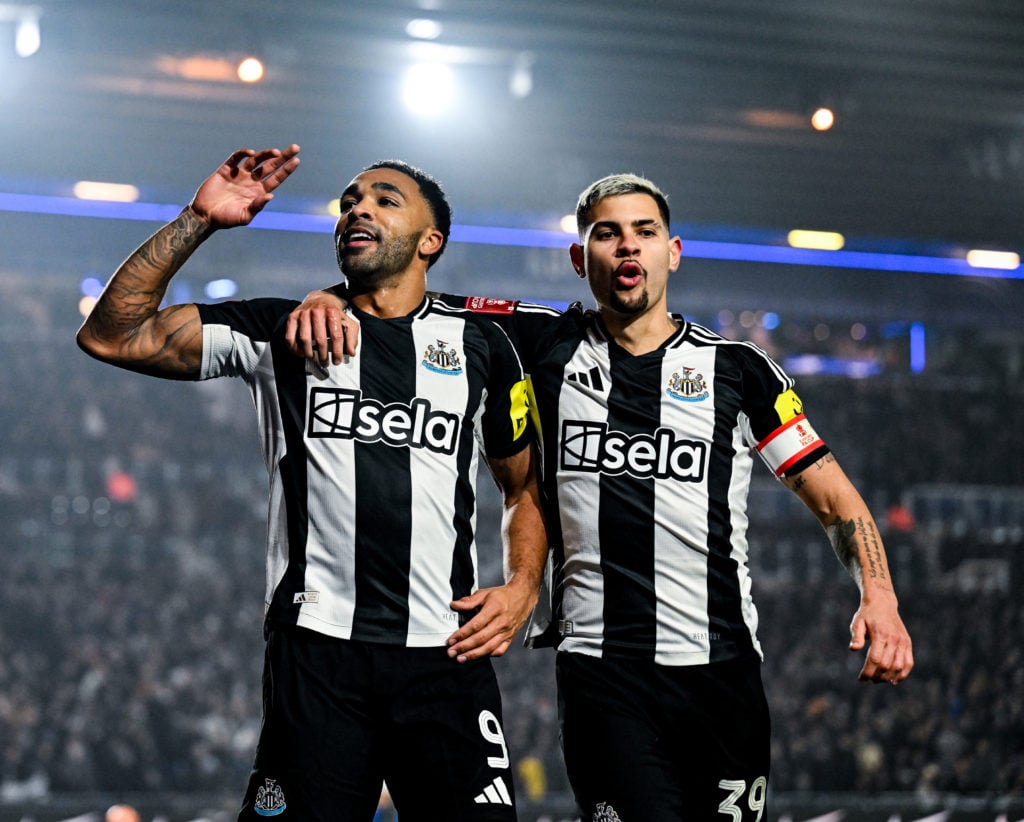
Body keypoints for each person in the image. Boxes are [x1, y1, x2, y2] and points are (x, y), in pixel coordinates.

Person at [289, 172, 915, 820]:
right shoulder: (540, 341)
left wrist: (880, 595)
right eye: (607, 234)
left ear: (672, 252)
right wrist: (330, 297)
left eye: (645, 233)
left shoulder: (739, 370)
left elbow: (834, 498)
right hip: (603, 676)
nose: (627, 249)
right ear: (579, 257)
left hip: (723, 678)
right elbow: (400, 293)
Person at [76, 144, 547, 821]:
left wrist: (525, 584)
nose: (359, 207)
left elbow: (523, 489)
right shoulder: (281, 330)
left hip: (445, 658)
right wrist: (199, 219)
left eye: (386, 200)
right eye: (351, 200)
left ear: (430, 240)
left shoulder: (483, 347)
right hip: (319, 657)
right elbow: (111, 335)